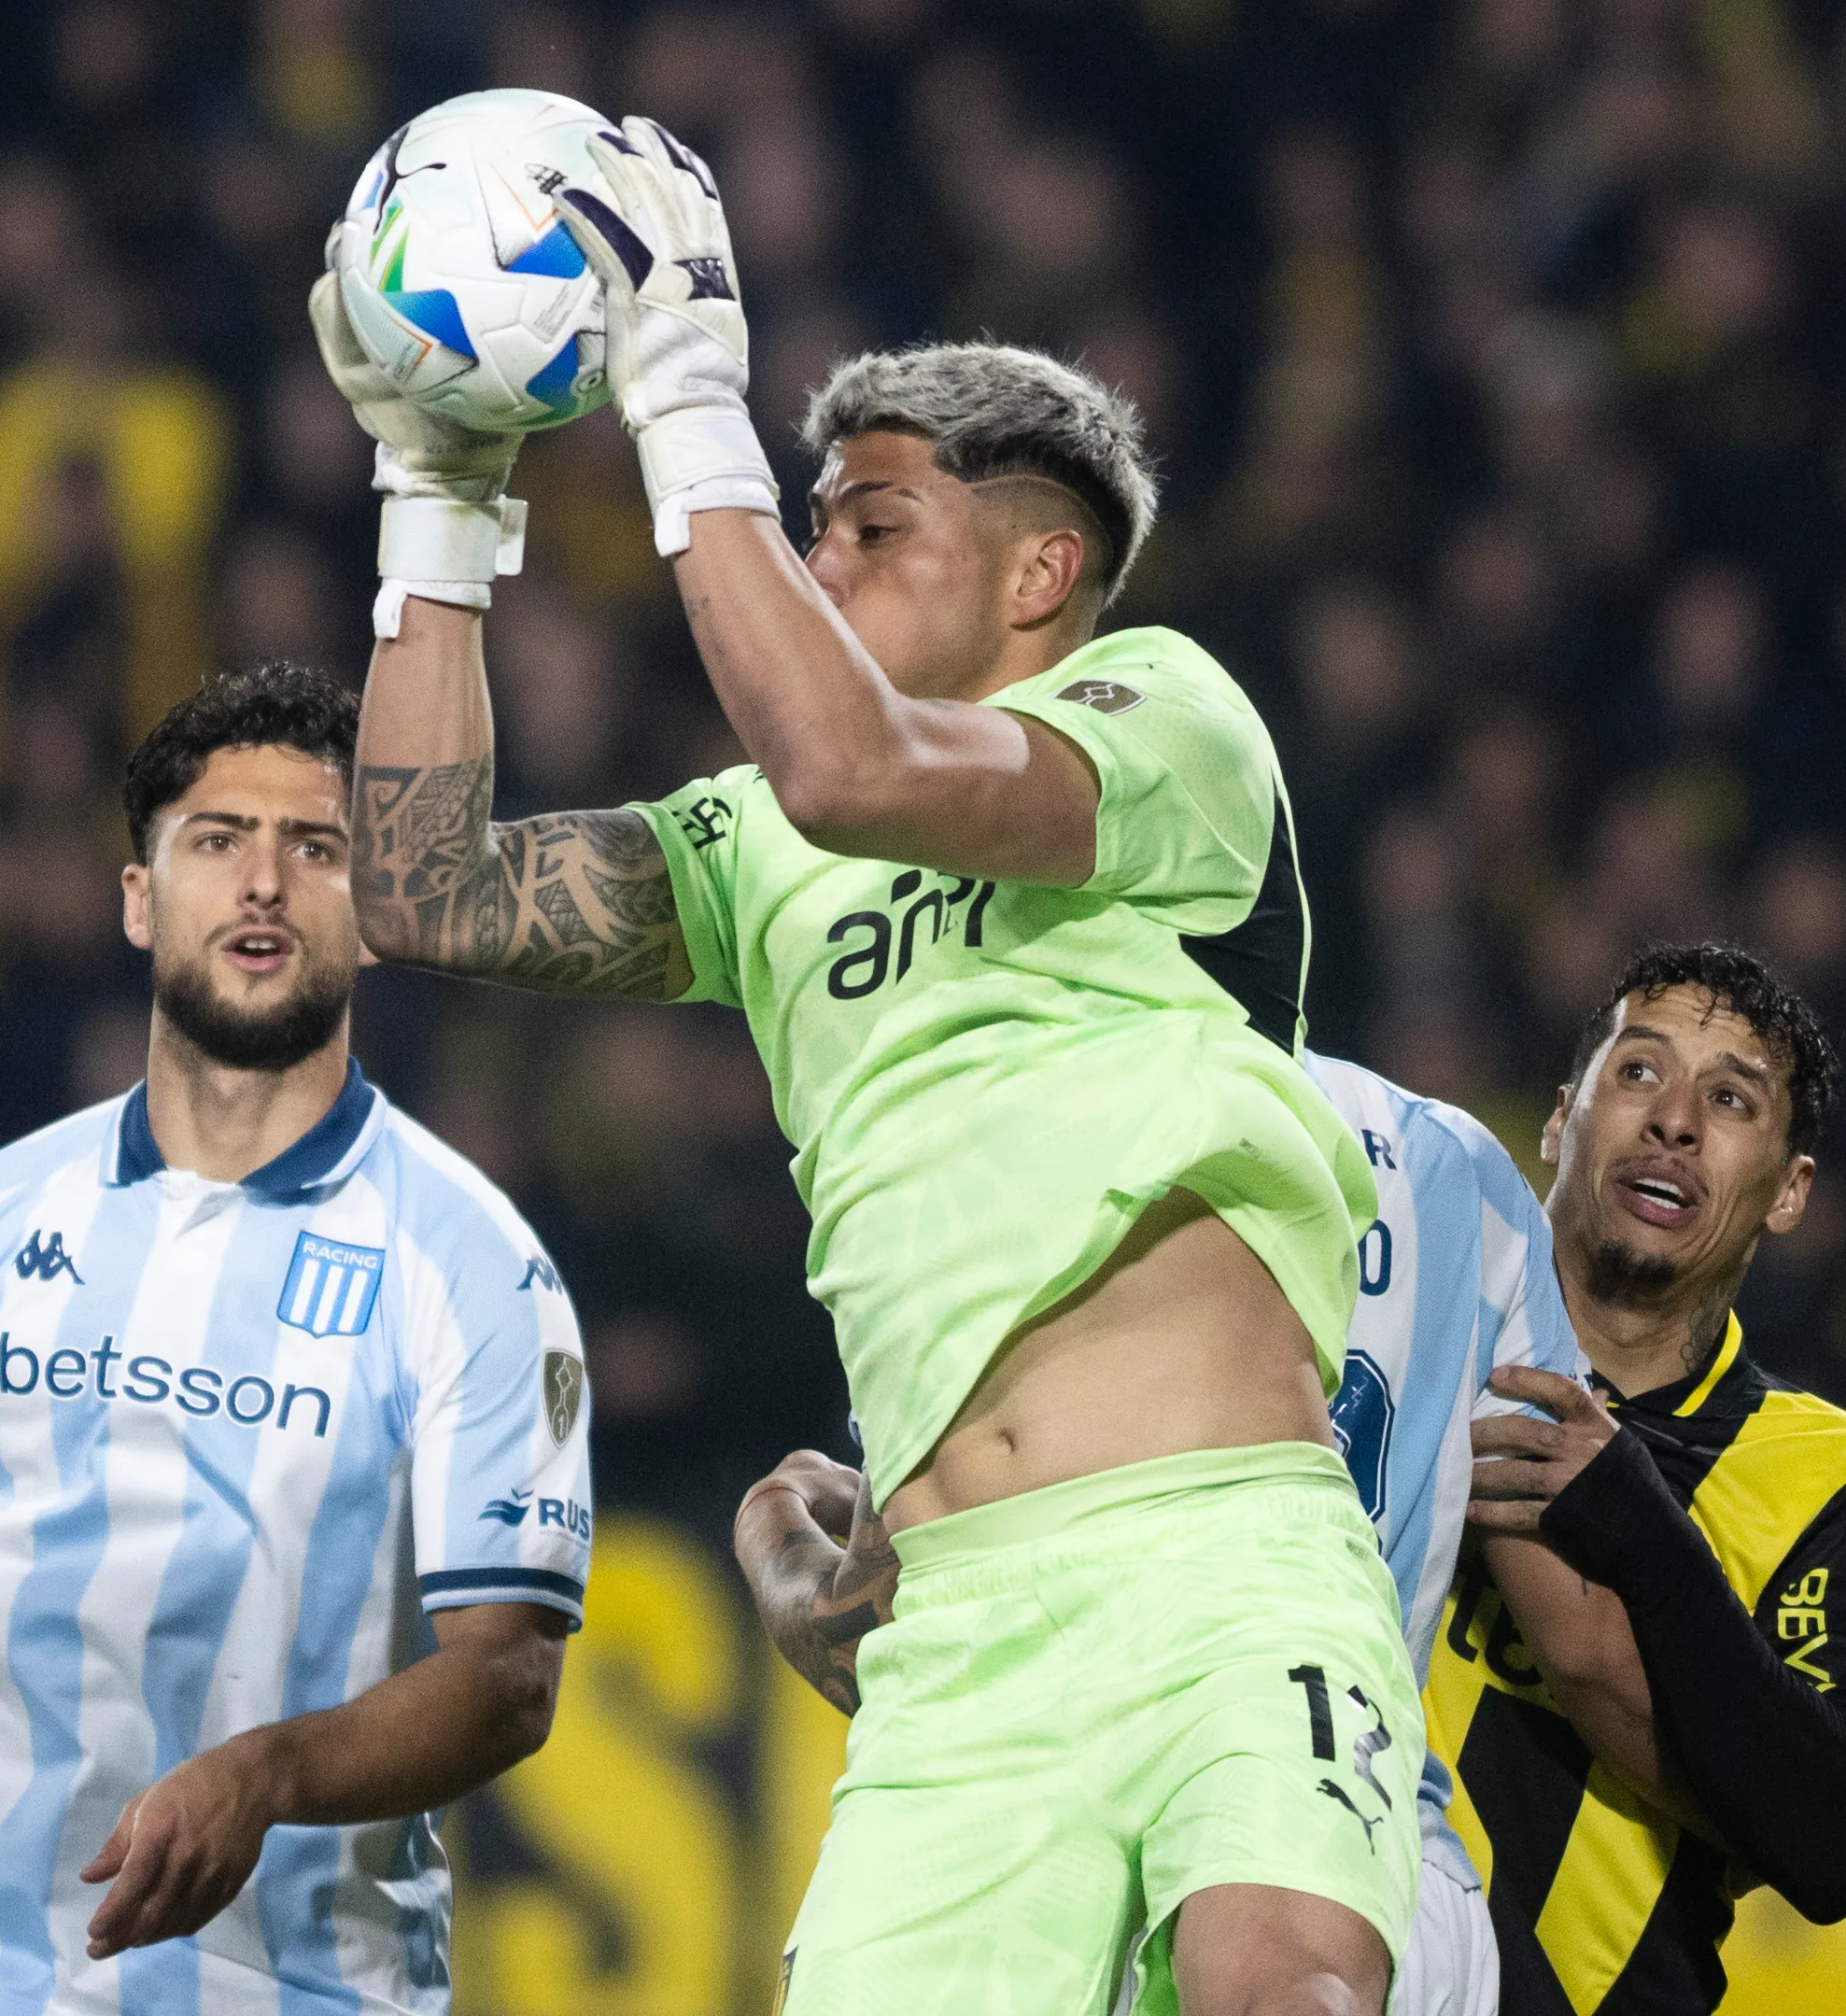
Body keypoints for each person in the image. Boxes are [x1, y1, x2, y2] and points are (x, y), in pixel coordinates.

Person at [326, 120, 1417, 2014]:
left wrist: (685, 401)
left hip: (1221, 1555)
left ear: (1041, 567)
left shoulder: (1162, 719)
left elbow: (855, 764)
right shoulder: (758, 845)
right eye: (812, 517)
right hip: (957, 1637)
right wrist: (437, 494)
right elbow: (420, 888)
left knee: (1286, 1996)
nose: (818, 554)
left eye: (869, 523)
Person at [0, 665, 591, 2016]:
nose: (262, 883)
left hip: (310, 1989)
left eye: (314, 848)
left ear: (374, 911)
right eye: (218, 841)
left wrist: (264, 1774)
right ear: (142, 900)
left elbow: (508, 1674)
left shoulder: (473, 1264)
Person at [737, 1049, 1589, 2016]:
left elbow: (876, 1617)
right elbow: (1582, 1640)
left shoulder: (994, 1142)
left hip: (1063, 1860)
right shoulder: (1454, 1162)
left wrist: (769, 1528)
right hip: (1357, 1825)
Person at [1444, 942, 1846, 2015]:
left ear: (1787, 1191)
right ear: (1558, 1114)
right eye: (1636, 1071)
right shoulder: (1397, 1322)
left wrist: (1643, 1530)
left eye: (1728, 1097)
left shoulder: (1832, 1479)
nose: (1672, 1119)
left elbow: (1838, 1845)